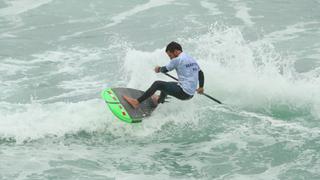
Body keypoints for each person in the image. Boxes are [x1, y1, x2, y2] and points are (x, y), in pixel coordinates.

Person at [123, 41, 204, 109]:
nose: (170, 58)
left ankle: (136, 102)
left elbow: (165, 69)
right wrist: (201, 87)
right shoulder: (190, 58)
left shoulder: (177, 60)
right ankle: (159, 100)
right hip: (190, 93)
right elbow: (200, 73)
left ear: (176, 51)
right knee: (166, 85)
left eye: (170, 55)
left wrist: (159, 69)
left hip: (183, 93)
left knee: (158, 84)